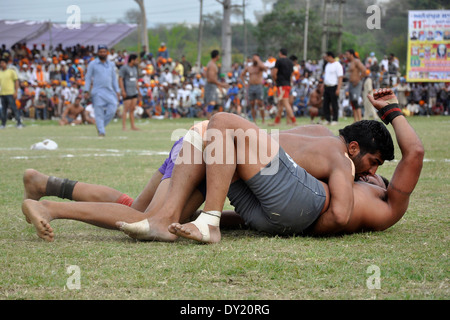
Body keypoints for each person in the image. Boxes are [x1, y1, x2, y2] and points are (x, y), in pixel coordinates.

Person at [22, 114, 392, 242]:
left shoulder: (316, 134)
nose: (372, 173)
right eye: (373, 163)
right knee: (151, 220)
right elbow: (334, 210)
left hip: (197, 142)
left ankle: (45, 183)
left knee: (135, 207)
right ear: (355, 147)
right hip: (205, 151)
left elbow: (270, 154)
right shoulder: (338, 158)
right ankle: (50, 206)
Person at [84, 45, 120, 137]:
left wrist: (117, 90)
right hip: (97, 92)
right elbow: (88, 78)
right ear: (98, 53)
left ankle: (101, 126)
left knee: (113, 109)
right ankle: (101, 132)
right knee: (99, 112)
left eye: (104, 52)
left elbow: (114, 79)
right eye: (101, 52)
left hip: (110, 91)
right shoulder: (93, 64)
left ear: (107, 53)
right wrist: (86, 90)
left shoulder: (111, 64)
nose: (102, 53)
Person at [270, 48, 296, 125]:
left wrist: (275, 81)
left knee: (285, 103)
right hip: (288, 84)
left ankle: (294, 120)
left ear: (280, 53)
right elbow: (291, 75)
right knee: (280, 103)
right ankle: (277, 121)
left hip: (281, 85)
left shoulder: (279, 61)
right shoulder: (290, 62)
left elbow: (274, 73)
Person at [240, 54, 267, 124]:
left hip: (258, 86)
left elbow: (264, 68)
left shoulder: (260, 67)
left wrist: (258, 60)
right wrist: (245, 83)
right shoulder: (249, 67)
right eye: (254, 58)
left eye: (256, 58)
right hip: (251, 86)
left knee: (260, 103)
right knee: (252, 103)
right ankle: (254, 120)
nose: (254, 59)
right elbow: (242, 75)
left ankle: (263, 119)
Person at [119, 53, 141, 130]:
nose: (137, 61)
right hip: (127, 91)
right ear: (132, 60)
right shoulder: (124, 68)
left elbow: (136, 80)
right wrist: (123, 90)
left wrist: (139, 91)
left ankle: (133, 126)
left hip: (134, 91)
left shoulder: (135, 68)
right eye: (136, 60)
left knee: (132, 109)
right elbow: (120, 79)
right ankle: (124, 126)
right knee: (126, 109)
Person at [0, 58, 23, 129]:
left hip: (10, 93)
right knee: (3, 110)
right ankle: (3, 124)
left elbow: (16, 81)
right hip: (2, 93)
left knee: (14, 108)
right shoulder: (0, 73)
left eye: (3, 63)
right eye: (0, 63)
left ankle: (19, 123)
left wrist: (16, 92)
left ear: (6, 64)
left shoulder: (11, 71)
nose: (1, 64)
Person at [204, 50, 228, 119]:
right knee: (211, 104)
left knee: (215, 104)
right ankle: (208, 122)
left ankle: (213, 121)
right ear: (217, 56)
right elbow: (211, 79)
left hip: (213, 86)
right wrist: (221, 84)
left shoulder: (212, 64)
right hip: (211, 86)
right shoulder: (211, 65)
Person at [322, 51, 343, 125]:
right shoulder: (327, 65)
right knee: (326, 104)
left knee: (334, 104)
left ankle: (335, 119)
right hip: (327, 87)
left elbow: (340, 77)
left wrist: (338, 89)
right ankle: (327, 119)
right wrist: (323, 86)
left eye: (326, 57)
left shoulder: (337, 65)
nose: (326, 58)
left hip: (334, 86)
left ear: (330, 56)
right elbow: (325, 77)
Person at [345, 49, 366, 122]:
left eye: (347, 54)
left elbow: (364, 70)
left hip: (356, 84)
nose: (346, 56)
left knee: (355, 101)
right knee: (352, 102)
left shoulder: (356, 61)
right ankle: (355, 120)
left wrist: (358, 80)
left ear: (351, 54)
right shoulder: (350, 63)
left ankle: (360, 120)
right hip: (351, 83)